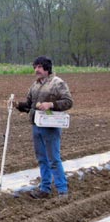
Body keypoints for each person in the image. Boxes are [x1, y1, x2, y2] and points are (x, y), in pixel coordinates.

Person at [14, 56, 73, 199]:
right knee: (41, 158)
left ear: (47, 68)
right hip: (36, 124)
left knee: (53, 158)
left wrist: (51, 105)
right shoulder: (35, 85)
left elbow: (68, 102)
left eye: (39, 67)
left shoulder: (57, 83)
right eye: (35, 67)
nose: (36, 70)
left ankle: (62, 189)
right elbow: (29, 106)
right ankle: (45, 188)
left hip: (51, 125)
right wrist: (17, 105)